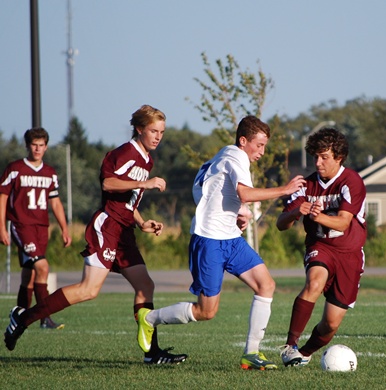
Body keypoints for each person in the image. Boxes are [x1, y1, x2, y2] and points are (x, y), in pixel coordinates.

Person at [4, 105, 188, 365]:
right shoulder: (125, 152)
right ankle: (22, 319)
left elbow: (127, 201)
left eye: (162, 132)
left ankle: (152, 353)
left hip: (124, 230)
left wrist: (142, 222)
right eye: (153, 131)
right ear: (139, 129)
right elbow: (108, 183)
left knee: (146, 286)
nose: (158, 136)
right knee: (88, 290)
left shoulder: (147, 159)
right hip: (107, 227)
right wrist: (144, 183)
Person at [136, 115, 306, 370]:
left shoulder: (222, 155)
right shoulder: (235, 157)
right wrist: (284, 190)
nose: (262, 151)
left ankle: (251, 353)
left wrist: (234, 214)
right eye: (259, 145)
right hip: (209, 242)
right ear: (243, 140)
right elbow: (245, 194)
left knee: (266, 285)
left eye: (264, 146)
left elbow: (202, 189)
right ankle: (149, 318)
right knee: (206, 312)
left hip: (230, 239)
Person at [276, 127, 366, 367]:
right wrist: (296, 212)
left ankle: (303, 354)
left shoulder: (352, 181)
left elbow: (344, 222)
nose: (318, 162)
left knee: (331, 324)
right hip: (321, 246)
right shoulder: (306, 185)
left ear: (339, 157)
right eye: (315, 156)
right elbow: (280, 224)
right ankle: (290, 345)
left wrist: (318, 216)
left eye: (324, 157)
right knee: (314, 282)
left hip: (349, 254)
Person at [0, 128, 72, 329]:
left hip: (41, 228)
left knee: (29, 274)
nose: (37, 149)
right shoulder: (15, 169)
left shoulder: (50, 173)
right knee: (43, 267)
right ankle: (44, 318)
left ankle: (19, 315)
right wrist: (1, 227)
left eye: (41, 145)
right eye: (34, 145)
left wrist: (65, 229)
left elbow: (55, 202)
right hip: (21, 226)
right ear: (27, 146)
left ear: (46, 147)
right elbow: (3, 197)